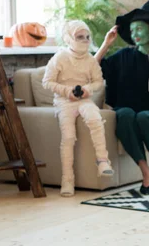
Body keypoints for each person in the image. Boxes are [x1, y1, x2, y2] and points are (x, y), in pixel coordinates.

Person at [95, 0, 149, 195]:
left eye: (139, 28)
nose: (135, 34)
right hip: (126, 110)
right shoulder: (123, 56)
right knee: (125, 114)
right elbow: (92, 68)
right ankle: (146, 172)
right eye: (132, 30)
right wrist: (106, 43)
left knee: (144, 117)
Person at [42, 20, 114, 197]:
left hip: (84, 100)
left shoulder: (90, 60)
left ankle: (103, 161)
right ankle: (67, 180)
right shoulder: (60, 58)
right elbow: (47, 81)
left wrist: (87, 90)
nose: (85, 40)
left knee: (95, 119)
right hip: (64, 102)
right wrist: (66, 91)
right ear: (68, 38)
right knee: (68, 137)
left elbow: (98, 81)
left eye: (87, 37)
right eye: (79, 37)